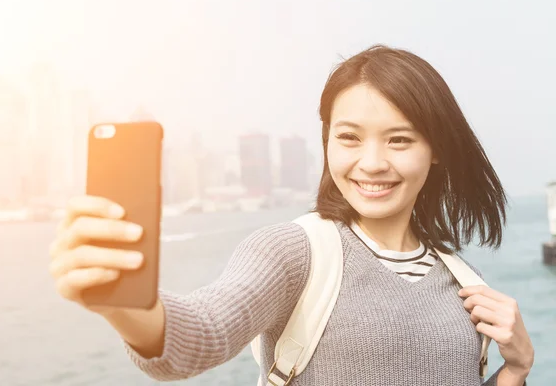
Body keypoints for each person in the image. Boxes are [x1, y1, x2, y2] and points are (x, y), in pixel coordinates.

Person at [48, 45, 534, 385]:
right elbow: (201, 335)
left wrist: (514, 371)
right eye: (348, 137)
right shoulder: (294, 252)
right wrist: (124, 303)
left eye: (399, 139)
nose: (372, 162)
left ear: (436, 150)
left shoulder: (461, 277)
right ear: (326, 142)